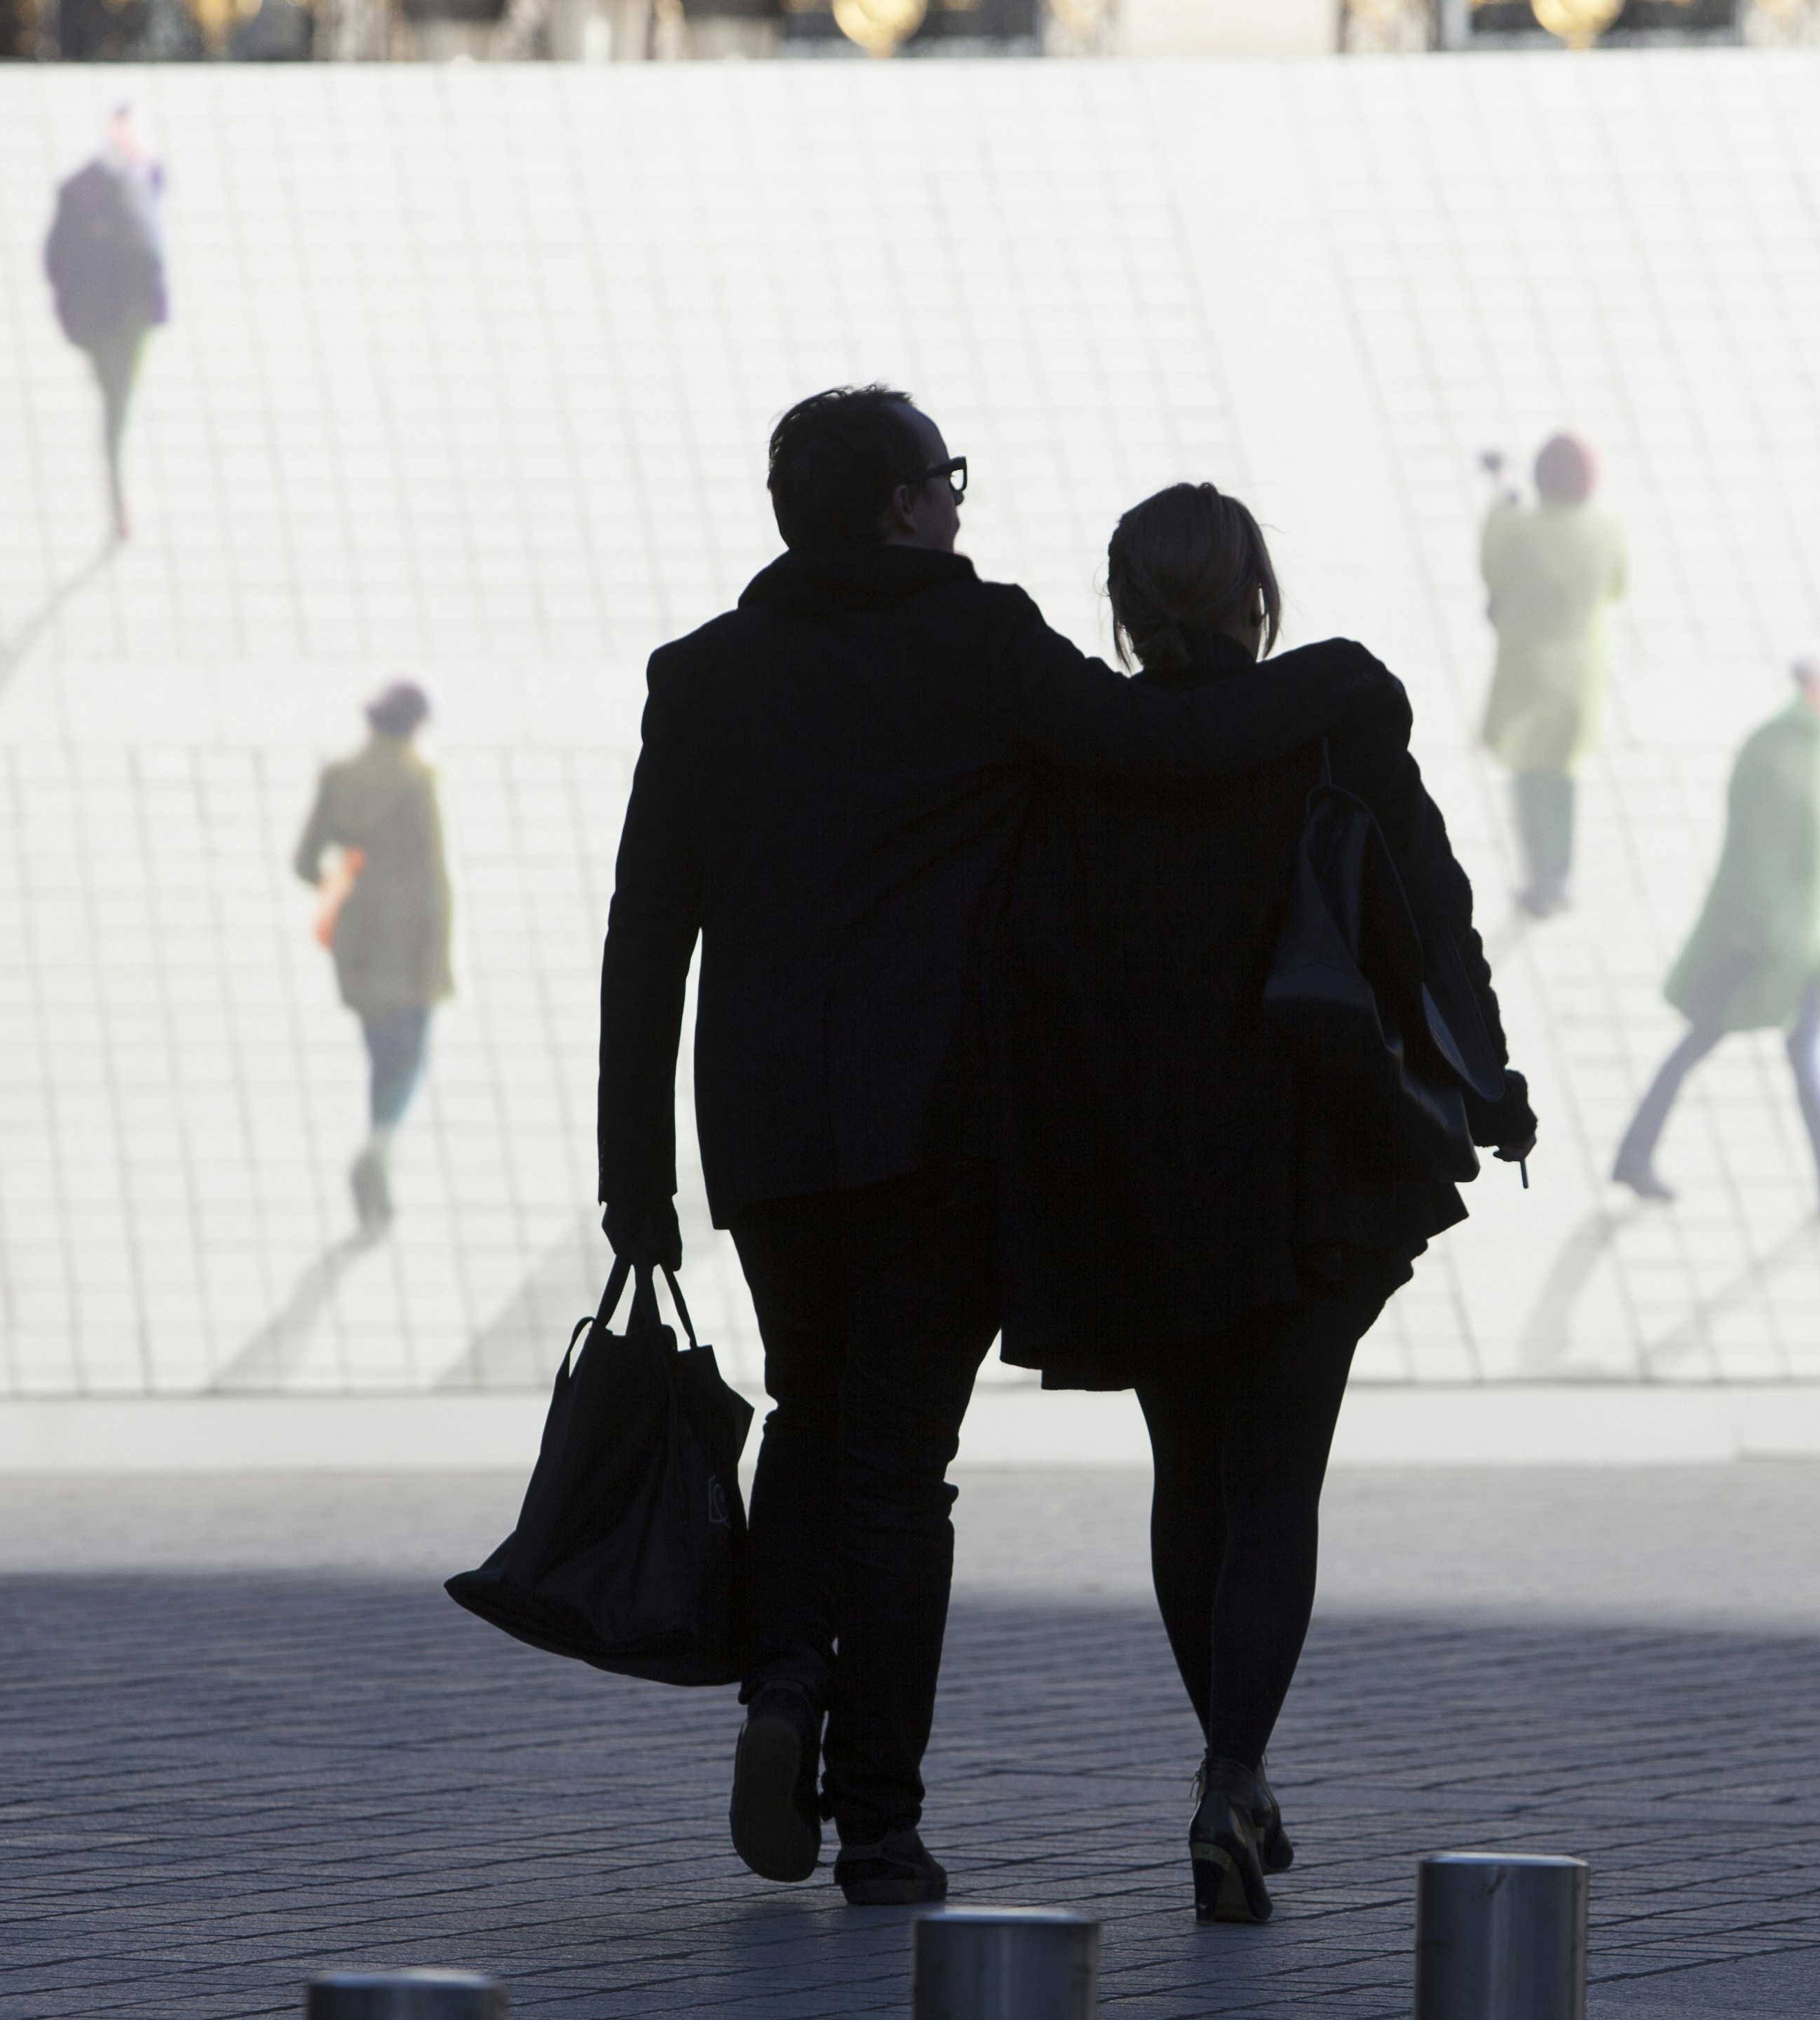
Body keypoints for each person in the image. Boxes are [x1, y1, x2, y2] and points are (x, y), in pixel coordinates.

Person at [596, 388, 1395, 1910]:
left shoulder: (700, 675)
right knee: (899, 1466)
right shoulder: (976, 638)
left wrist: (634, 1175)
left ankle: (786, 1682)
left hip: (766, 1127)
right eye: (944, 480)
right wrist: (1339, 676)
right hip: (937, 1124)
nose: (958, 503)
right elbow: (1164, 740)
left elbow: (649, 933)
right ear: (902, 504)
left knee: (811, 1406)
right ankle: (879, 1826)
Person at [1000, 485, 1533, 1923]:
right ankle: (1232, 1774)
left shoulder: (1070, 746)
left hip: (1138, 1166)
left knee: (1190, 1473)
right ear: (1256, 595)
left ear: (1126, 610)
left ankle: (1231, 1774)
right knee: (1277, 1483)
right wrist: (1488, 1084)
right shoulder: (1336, 716)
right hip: (1314, 1162)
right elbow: (1431, 915)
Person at [1610, 646, 1820, 1221]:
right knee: (1708, 1041)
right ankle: (1635, 1155)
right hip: (1762, 947)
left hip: (1793, 945)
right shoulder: (1782, 753)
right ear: (1814, 688)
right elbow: (1758, 853)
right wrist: (1764, 933)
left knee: (1798, 1053)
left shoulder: (1801, 746)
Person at [292, 681, 452, 1234]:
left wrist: (343, 883)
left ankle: (378, 1152)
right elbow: (432, 876)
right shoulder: (417, 781)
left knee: (381, 1050)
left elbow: (305, 862)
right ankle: (379, 1147)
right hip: (411, 940)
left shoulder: (338, 777)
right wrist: (439, 952)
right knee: (409, 1055)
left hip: (358, 936)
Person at [1477, 432, 1628, 920]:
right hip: (1580, 676)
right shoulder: (1606, 529)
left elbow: (1492, 566)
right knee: (1563, 774)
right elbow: (1618, 586)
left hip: (1530, 674)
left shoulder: (1521, 531)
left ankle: (1540, 882)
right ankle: (1561, 874)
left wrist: (1504, 491)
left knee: (1528, 773)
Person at [43, 107, 168, 544]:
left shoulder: (149, 177)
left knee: (122, 399)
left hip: (137, 317)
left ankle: (120, 495)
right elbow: (57, 260)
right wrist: (75, 322)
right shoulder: (80, 191)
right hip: (101, 323)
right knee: (116, 405)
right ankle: (118, 501)